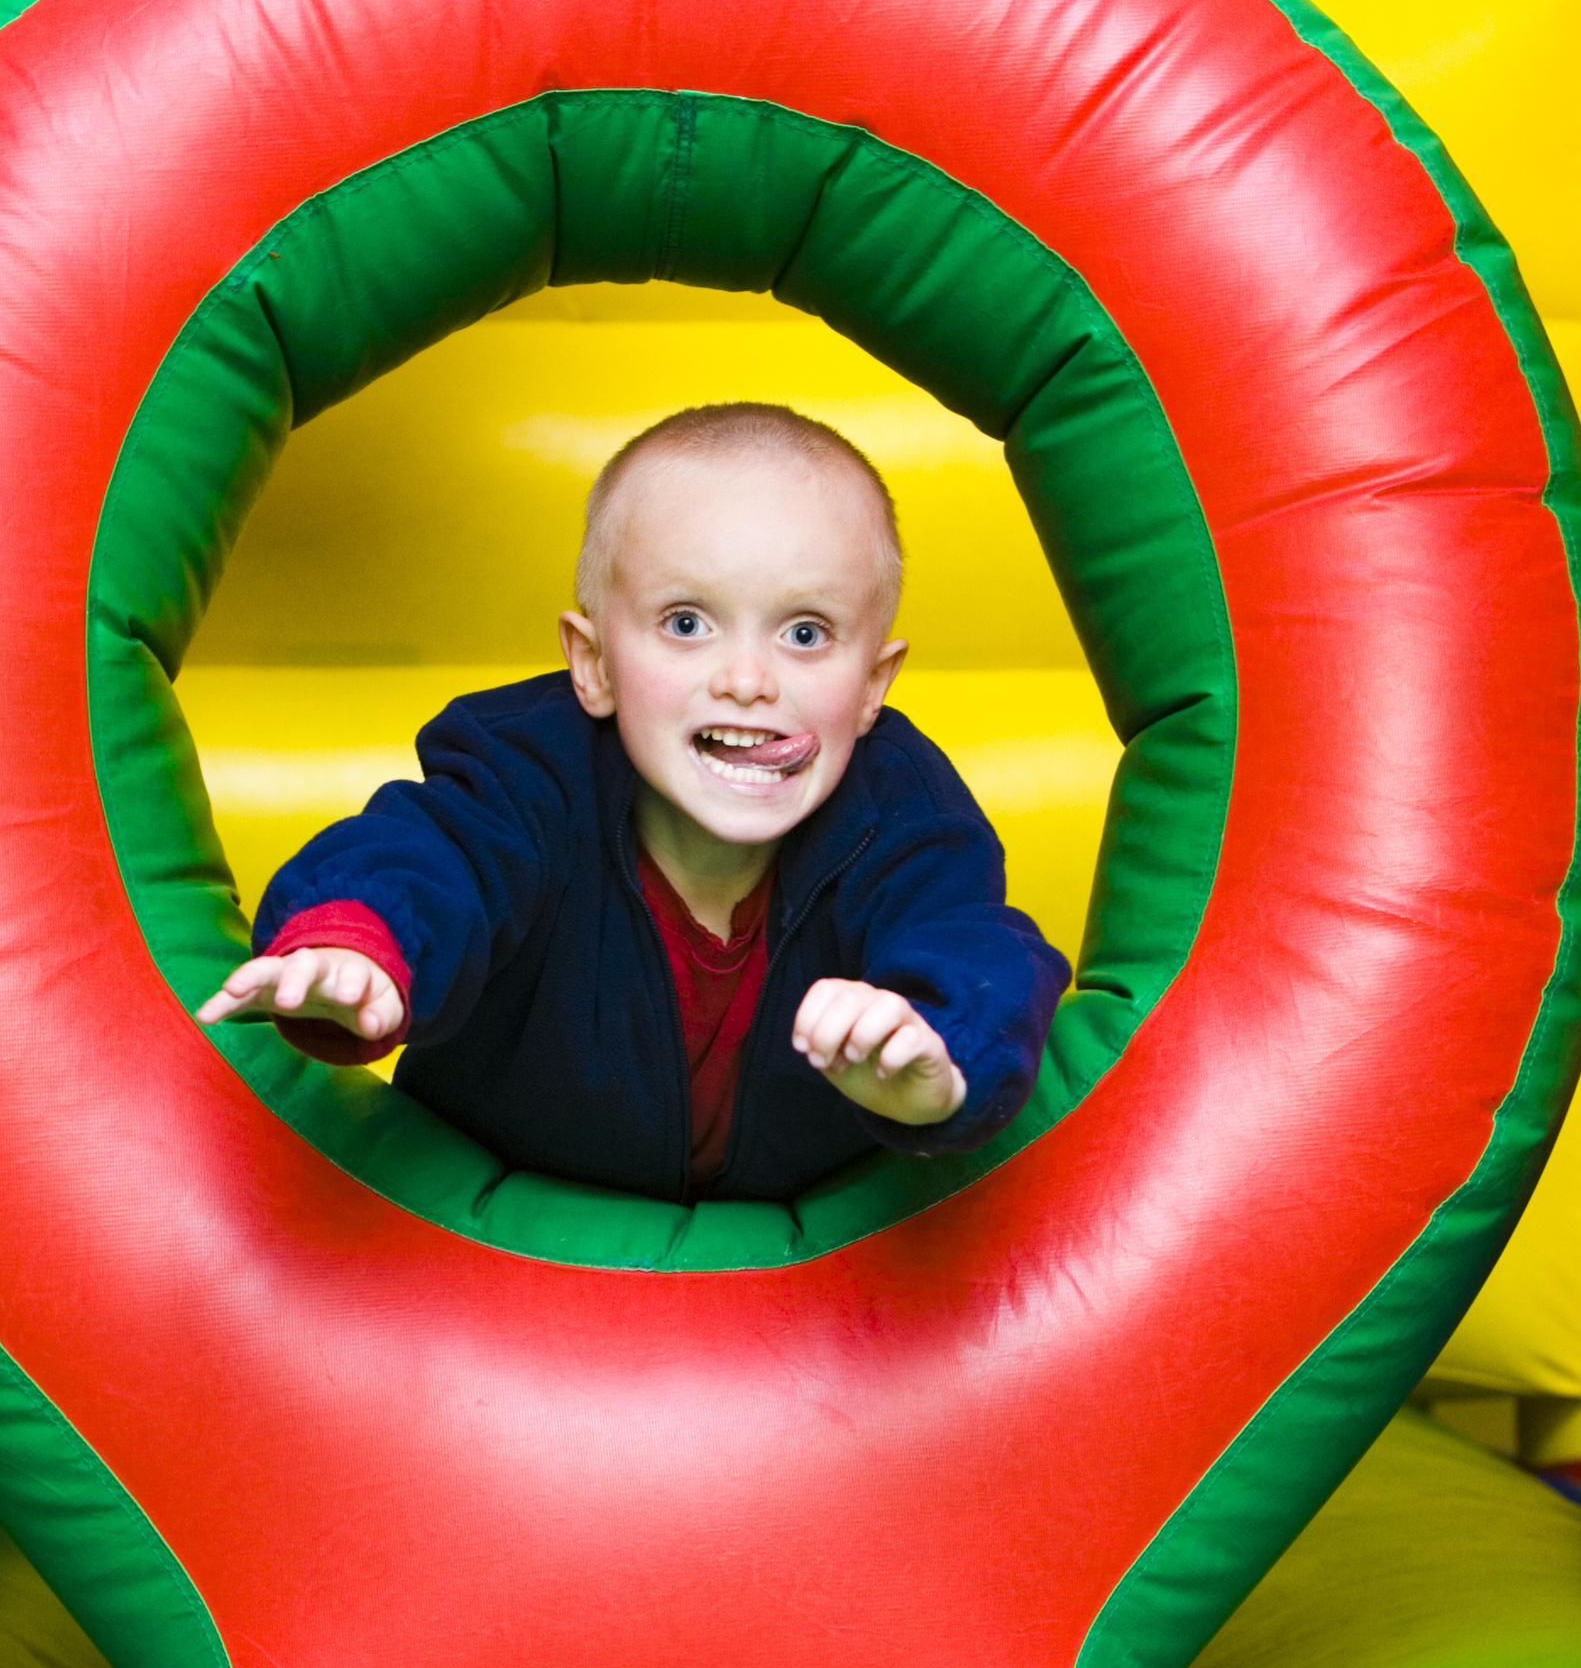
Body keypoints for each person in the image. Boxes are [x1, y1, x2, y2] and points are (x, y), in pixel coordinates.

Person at [194, 402, 1069, 1203]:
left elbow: (971, 941)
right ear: (594, 662)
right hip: (493, 1242)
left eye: (806, 633)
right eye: (687, 623)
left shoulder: (900, 809)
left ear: (874, 683)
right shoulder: (527, 770)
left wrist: (936, 1053)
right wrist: (359, 941)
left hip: (796, 1290)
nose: (747, 680)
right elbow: (434, 852)